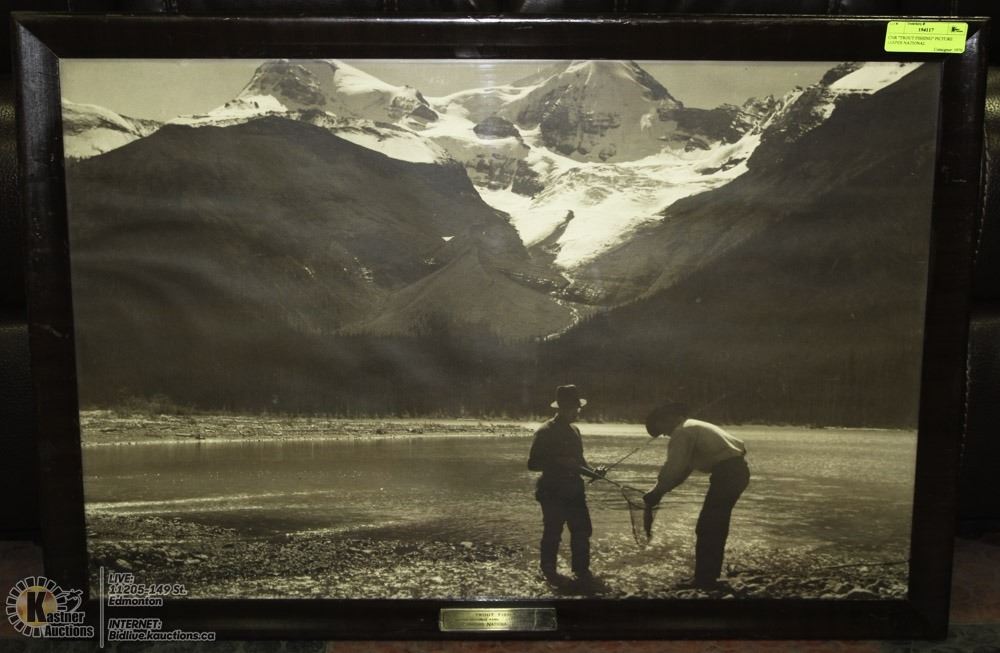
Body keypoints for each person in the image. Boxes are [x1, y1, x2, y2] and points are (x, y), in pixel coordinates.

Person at [643, 402, 750, 591]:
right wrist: (659, 491)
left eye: (662, 430)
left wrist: (656, 492)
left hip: (728, 474)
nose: (665, 435)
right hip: (735, 472)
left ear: (667, 419)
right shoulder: (692, 426)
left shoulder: (682, 432)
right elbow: (683, 471)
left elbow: (673, 468)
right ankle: (709, 575)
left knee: (708, 526)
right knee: (713, 524)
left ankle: (705, 580)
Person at [527, 385, 605, 586]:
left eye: (578, 407)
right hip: (552, 491)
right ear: (562, 408)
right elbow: (532, 464)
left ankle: (581, 572)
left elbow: (580, 462)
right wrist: (559, 461)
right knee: (553, 532)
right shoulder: (545, 431)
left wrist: (594, 472)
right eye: (574, 408)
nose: (577, 411)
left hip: (575, 491)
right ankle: (548, 572)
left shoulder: (575, 430)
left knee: (583, 531)